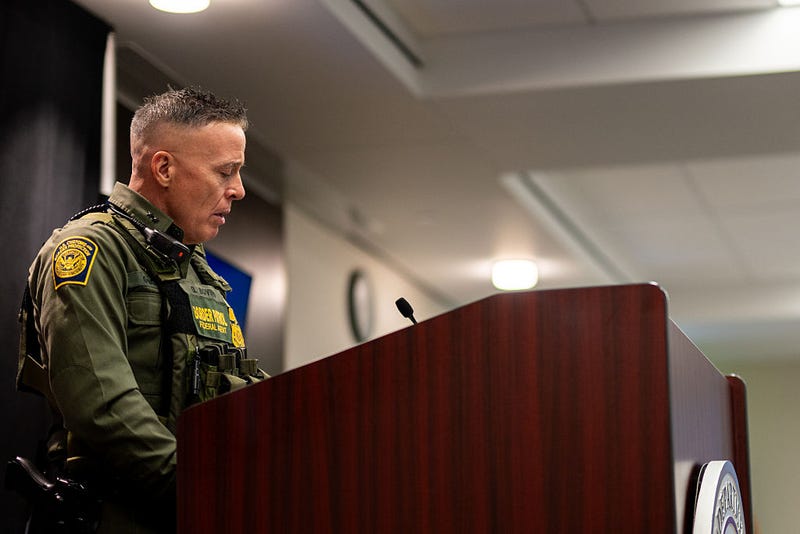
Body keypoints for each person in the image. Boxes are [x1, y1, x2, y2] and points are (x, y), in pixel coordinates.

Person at [17, 87, 261, 533]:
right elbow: (104, 408)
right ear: (164, 167)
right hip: (118, 515)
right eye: (226, 172)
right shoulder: (91, 249)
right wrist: (207, 493)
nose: (239, 190)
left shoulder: (196, 270)